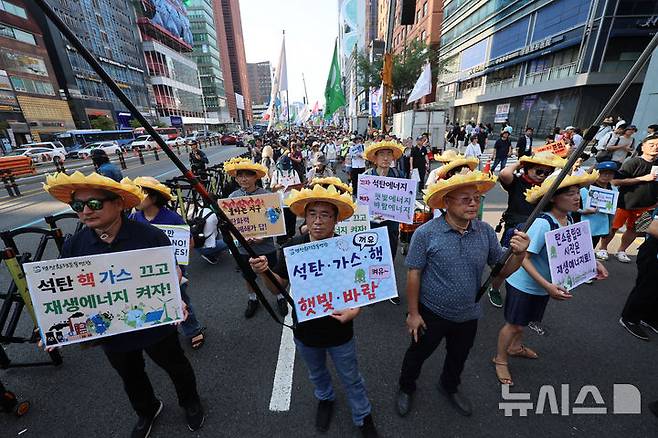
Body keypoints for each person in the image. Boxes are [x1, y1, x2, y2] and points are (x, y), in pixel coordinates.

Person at [43, 171, 205, 436]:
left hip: (156, 322)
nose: (85, 211)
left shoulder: (150, 236)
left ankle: (191, 402)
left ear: (118, 203)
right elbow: (68, 292)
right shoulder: (75, 245)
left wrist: (176, 299)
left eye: (94, 204)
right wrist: (53, 326)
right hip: (111, 329)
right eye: (78, 205)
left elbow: (170, 271)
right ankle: (147, 409)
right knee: (130, 375)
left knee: (176, 366)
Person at [396, 171, 530, 418]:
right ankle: (406, 387)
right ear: (447, 202)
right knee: (417, 354)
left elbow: (502, 270)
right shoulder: (426, 234)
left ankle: (449, 386)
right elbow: (414, 273)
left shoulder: (485, 232)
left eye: (476, 199)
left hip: (469, 313)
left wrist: (520, 255)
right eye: (465, 199)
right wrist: (413, 313)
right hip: (431, 312)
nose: (473, 204)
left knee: (458, 356)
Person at [249, 185, 379, 437]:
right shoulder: (293, 247)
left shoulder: (348, 246)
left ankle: (363, 416)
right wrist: (264, 271)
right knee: (316, 372)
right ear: (305, 218)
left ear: (336, 219)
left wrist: (356, 310)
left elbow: (362, 285)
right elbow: (278, 287)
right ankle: (325, 399)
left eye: (325, 215)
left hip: (340, 328)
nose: (318, 222)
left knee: (351, 377)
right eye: (312, 215)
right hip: (305, 327)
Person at [493, 172, 608, 385]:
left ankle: (515, 347)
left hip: (543, 287)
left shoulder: (570, 218)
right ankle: (500, 359)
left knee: (526, 321)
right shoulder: (543, 224)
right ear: (553, 197)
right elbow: (524, 258)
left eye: (577, 193)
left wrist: (593, 262)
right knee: (514, 325)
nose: (577, 198)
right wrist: (547, 285)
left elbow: (576, 249)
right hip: (524, 285)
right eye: (571, 194)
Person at [131, 176, 206, 350]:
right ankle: (164, 330)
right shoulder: (134, 217)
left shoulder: (171, 218)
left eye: (142, 193)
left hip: (174, 271)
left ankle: (193, 330)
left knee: (180, 299)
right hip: (146, 272)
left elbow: (188, 242)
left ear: (155, 197)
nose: (136, 197)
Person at [489, 152, 566, 309]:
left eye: (547, 172)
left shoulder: (547, 187)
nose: (543, 175)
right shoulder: (517, 182)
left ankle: (523, 292)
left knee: (533, 263)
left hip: (538, 231)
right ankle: (495, 288)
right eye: (539, 171)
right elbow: (504, 173)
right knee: (504, 262)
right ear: (527, 169)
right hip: (515, 230)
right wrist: (521, 162)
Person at [223, 158, 287, 318]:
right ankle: (253, 298)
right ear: (236, 178)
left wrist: (263, 236)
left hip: (266, 247)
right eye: (240, 175)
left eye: (248, 175)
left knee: (272, 273)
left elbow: (275, 221)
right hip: (243, 247)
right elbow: (230, 224)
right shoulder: (232, 197)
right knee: (248, 275)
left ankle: (280, 296)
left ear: (256, 177)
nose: (244, 179)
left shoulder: (266, 196)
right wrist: (241, 238)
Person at [598, 134, 658, 263]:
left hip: (648, 205)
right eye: (652, 145)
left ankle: (622, 250)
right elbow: (616, 181)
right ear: (643, 147)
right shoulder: (633, 162)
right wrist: (642, 178)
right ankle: (603, 248)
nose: (655, 148)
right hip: (624, 202)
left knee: (635, 229)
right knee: (613, 227)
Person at [363, 141, 406, 304]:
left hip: (392, 225)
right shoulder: (367, 176)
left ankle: (388, 288)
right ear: (375, 158)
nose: (386, 158)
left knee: (389, 256)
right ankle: (373, 289)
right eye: (382, 154)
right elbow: (362, 202)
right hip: (372, 225)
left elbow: (404, 200)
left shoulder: (398, 175)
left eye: (389, 154)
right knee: (372, 257)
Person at [619, 206, 658, 340]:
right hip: (653, 253)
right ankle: (629, 318)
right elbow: (652, 228)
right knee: (646, 287)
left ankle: (648, 318)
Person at [579, 162, 618, 251]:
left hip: (599, 229)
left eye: (610, 173)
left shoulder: (614, 190)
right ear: (596, 172)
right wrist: (582, 211)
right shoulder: (584, 188)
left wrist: (610, 227)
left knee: (590, 251)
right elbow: (570, 209)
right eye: (603, 172)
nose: (607, 175)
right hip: (581, 227)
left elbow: (612, 212)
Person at [271, 155, 302, 242]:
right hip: (280, 203)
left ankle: (290, 238)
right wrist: (278, 186)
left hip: (291, 202)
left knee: (291, 222)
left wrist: (293, 187)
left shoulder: (294, 172)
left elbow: (298, 185)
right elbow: (272, 188)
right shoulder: (276, 173)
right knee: (281, 223)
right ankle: (281, 240)